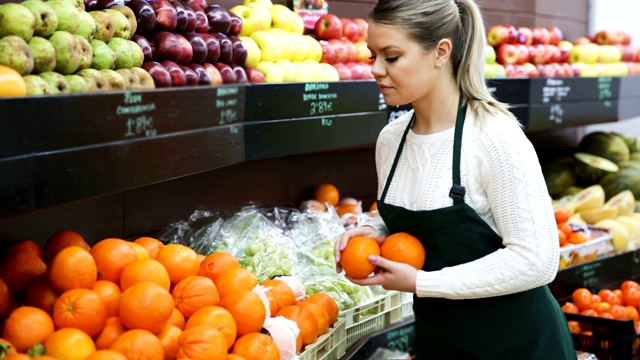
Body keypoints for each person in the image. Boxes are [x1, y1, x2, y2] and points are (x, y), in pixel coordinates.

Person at [333, 0, 576, 358]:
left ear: (441, 52)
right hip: (440, 341)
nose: (376, 70)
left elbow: (536, 260)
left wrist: (421, 282)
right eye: (372, 56)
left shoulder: (494, 137)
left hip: (518, 344)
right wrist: (376, 231)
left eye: (392, 56)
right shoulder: (392, 140)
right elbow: (419, 221)